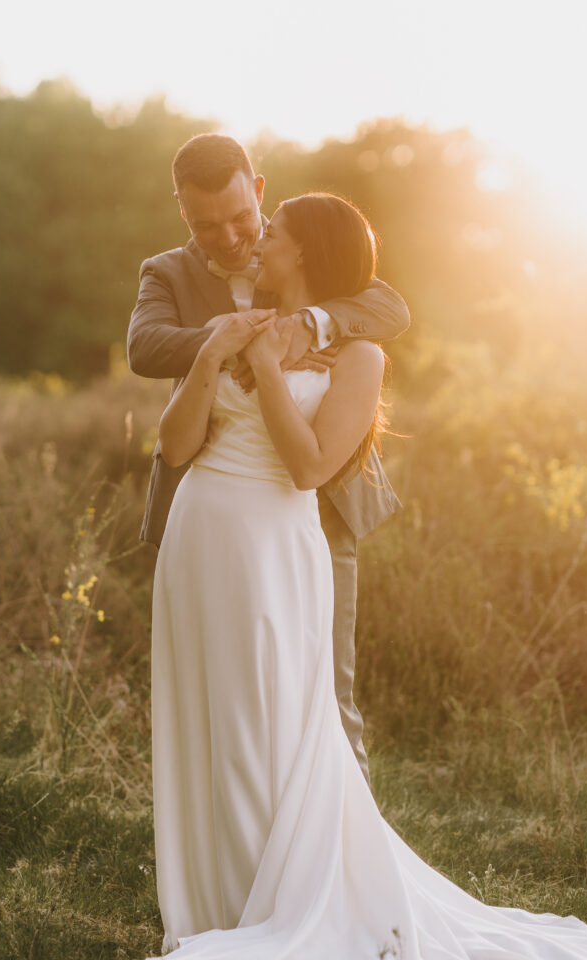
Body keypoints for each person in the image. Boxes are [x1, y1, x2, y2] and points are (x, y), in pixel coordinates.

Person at [140, 193, 587, 960]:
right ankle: (215, 904)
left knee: (269, 721)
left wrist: (275, 368)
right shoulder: (235, 318)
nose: (256, 241)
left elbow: (310, 467)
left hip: (275, 548)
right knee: (205, 715)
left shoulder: (358, 356)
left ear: (305, 255)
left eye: (271, 233)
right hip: (199, 537)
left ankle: (275, 908)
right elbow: (177, 447)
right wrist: (211, 358)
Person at [127, 133, 409, 788]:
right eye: (206, 224)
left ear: (258, 191)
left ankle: (343, 846)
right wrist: (234, 340)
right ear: (181, 212)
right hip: (214, 507)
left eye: (239, 218)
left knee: (325, 685)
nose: (228, 238)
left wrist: (307, 325)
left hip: (322, 501)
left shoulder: (300, 239)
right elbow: (144, 348)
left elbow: (388, 307)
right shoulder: (166, 273)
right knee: (224, 693)